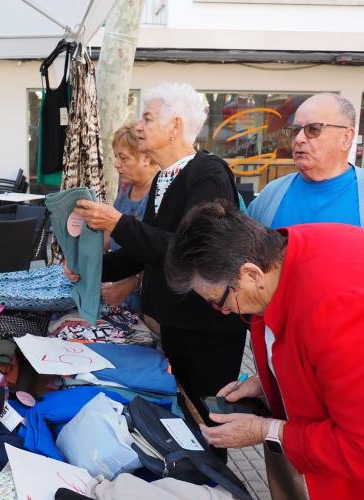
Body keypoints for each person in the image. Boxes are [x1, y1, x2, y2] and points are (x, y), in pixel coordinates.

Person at [164, 200, 364, 500]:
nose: (222, 311)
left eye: (218, 301)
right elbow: (324, 360)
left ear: (251, 275)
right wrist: (268, 382)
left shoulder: (341, 311)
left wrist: (266, 430)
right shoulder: (279, 254)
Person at [65, 83, 247, 435]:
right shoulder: (165, 177)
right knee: (181, 413)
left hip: (207, 327)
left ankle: (207, 471)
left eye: (147, 118)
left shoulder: (208, 173)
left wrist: (118, 223)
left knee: (207, 421)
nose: (139, 126)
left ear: (175, 126)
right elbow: (145, 253)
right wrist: (90, 268)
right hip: (176, 323)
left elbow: (192, 248)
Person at [248, 92, 364, 260]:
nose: (299, 139)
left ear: (346, 138)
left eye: (313, 129)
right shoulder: (269, 196)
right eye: (295, 130)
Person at [101, 123, 159, 313]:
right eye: (116, 156)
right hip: (120, 295)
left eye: (123, 157)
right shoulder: (126, 187)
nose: (116, 163)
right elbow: (110, 235)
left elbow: (158, 251)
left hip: (148, 301)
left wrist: (132, 283)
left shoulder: (160, 194)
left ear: (146, 157)